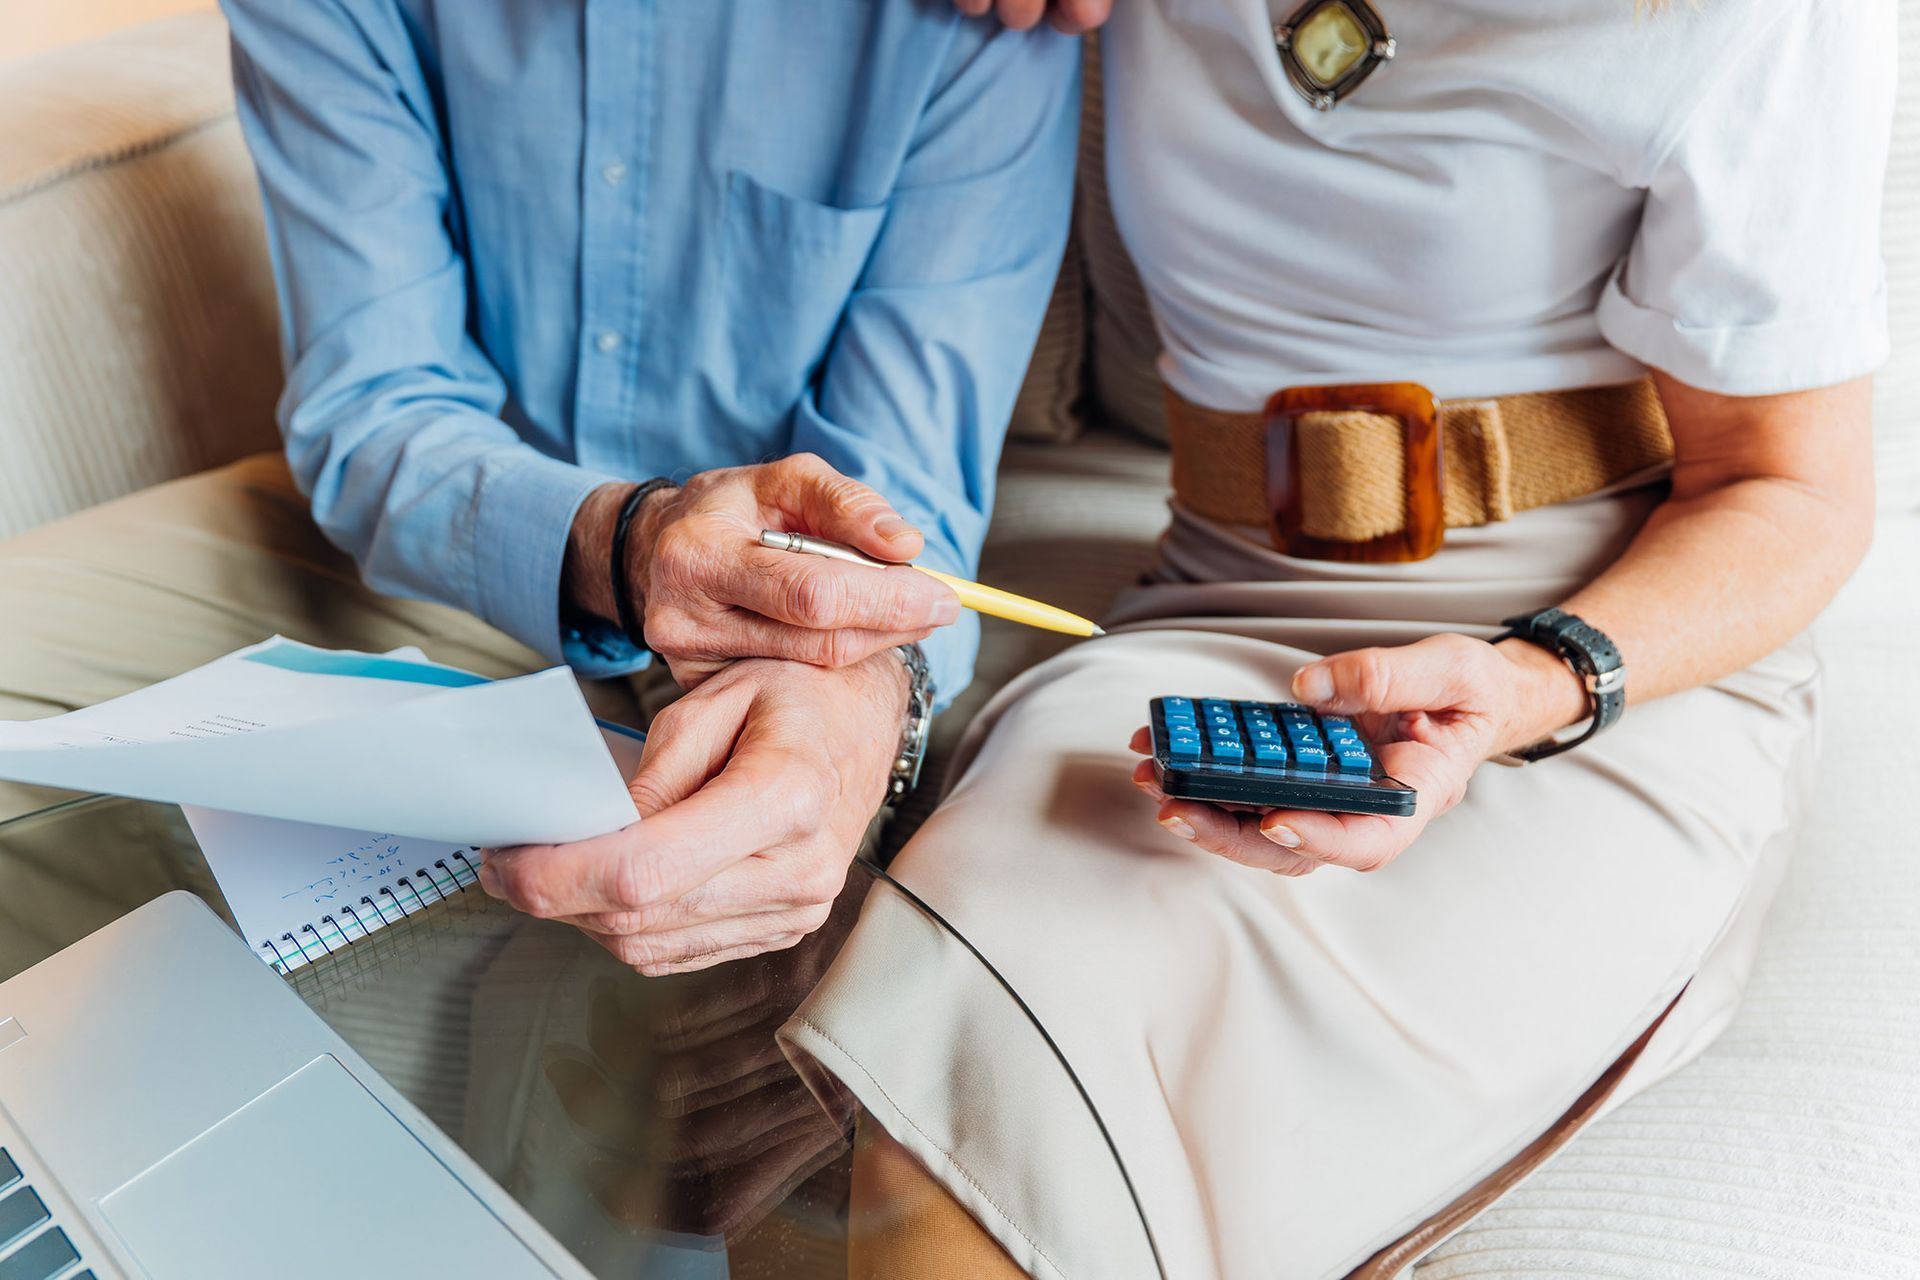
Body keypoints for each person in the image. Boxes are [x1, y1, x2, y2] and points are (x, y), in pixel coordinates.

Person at [782, 1, 1896, 1276]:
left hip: (1595, 653)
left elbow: (1794, 494)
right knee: (975, 1038)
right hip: (1212, 601)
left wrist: (1529, 681)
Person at [0, 4, 1079, 968]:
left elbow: (901, 496)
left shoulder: (982, 19)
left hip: (776, 619)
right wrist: (628, 542)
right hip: (452, 538)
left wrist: (856, 697)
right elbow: (376, 401)